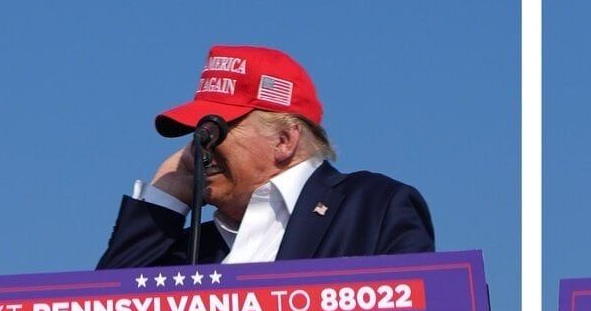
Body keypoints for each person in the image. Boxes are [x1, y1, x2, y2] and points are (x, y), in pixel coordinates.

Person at [98, 45, 432, 269]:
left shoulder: (373, 207)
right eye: (197, 134)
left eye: (215, 130)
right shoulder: (190, 251)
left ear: (284, 140)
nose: (201, 147)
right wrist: (165, 196)